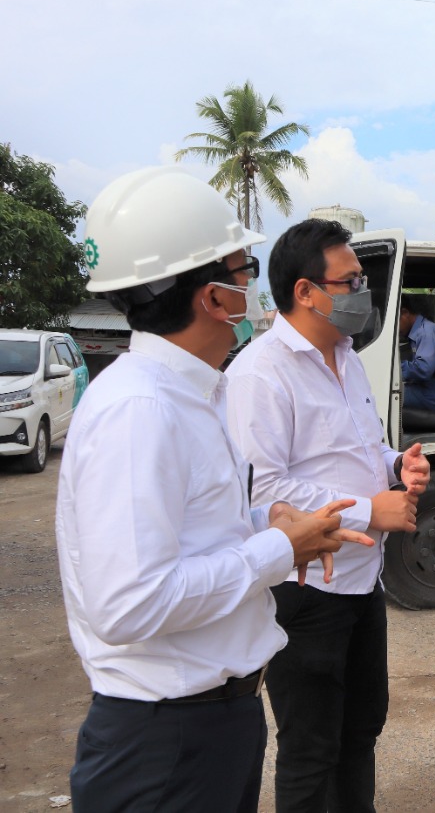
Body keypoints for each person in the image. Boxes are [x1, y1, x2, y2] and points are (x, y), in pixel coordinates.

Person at [55, 166, 373, 813]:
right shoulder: (140, 411)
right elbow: (131, 605)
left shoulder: (189, 393)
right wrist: (277, 551)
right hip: (167, 743)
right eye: (243, 269)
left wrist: (263, 523)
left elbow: (186, 538)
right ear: (213, 297)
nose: (254, 287)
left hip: (207, 723)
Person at [226, 218, 431, 813]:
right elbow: (263, 490)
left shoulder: (346, 355)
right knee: (311, 744)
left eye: (361, 279)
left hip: (363, 581)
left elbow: (355, 451)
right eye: (349, 282)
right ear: (305, 292)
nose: (360, 293)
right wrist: (374, 510)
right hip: (307, 587)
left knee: (362, 725)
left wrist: (398, 466)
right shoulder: (260, 372)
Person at [398, 294, 435, 411]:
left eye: (395, 322)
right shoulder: (419, 332)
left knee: (388, 395)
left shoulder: (426, 333)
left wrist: (394, 369)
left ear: (405, 313)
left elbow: (423, 370)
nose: (396, 329)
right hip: (427, 387)